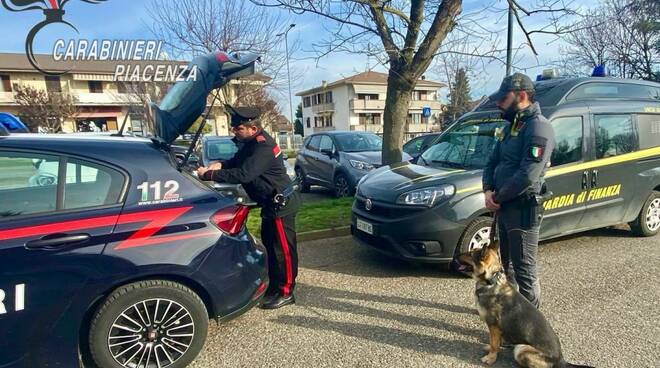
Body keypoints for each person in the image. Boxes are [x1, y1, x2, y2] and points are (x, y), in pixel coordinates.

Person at [197, 105, 301, 309]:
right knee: (271, 248)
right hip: (270, 204)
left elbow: (244, 174)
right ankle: (275, 286)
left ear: (252, 128)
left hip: (281, 205)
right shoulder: (250, 143)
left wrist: (209, 175)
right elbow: (237, 161)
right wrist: (221, 164)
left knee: (284, 251)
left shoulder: (262, 147)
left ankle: (287, 291)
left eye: (238, 129)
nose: (234, 132)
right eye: (234, 128)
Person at [482, 73, 555, 308]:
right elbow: (492, 161)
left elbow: (528, 174)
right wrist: (488, 191)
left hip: (522, 208)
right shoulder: (512, 126)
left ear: (521, 95)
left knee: (525, 271)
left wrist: (498, 197)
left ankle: (530, 331)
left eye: (503, 98)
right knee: (508, 266)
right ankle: (510, 314)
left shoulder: (538, 127)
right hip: (504, 207)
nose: (498, 103)